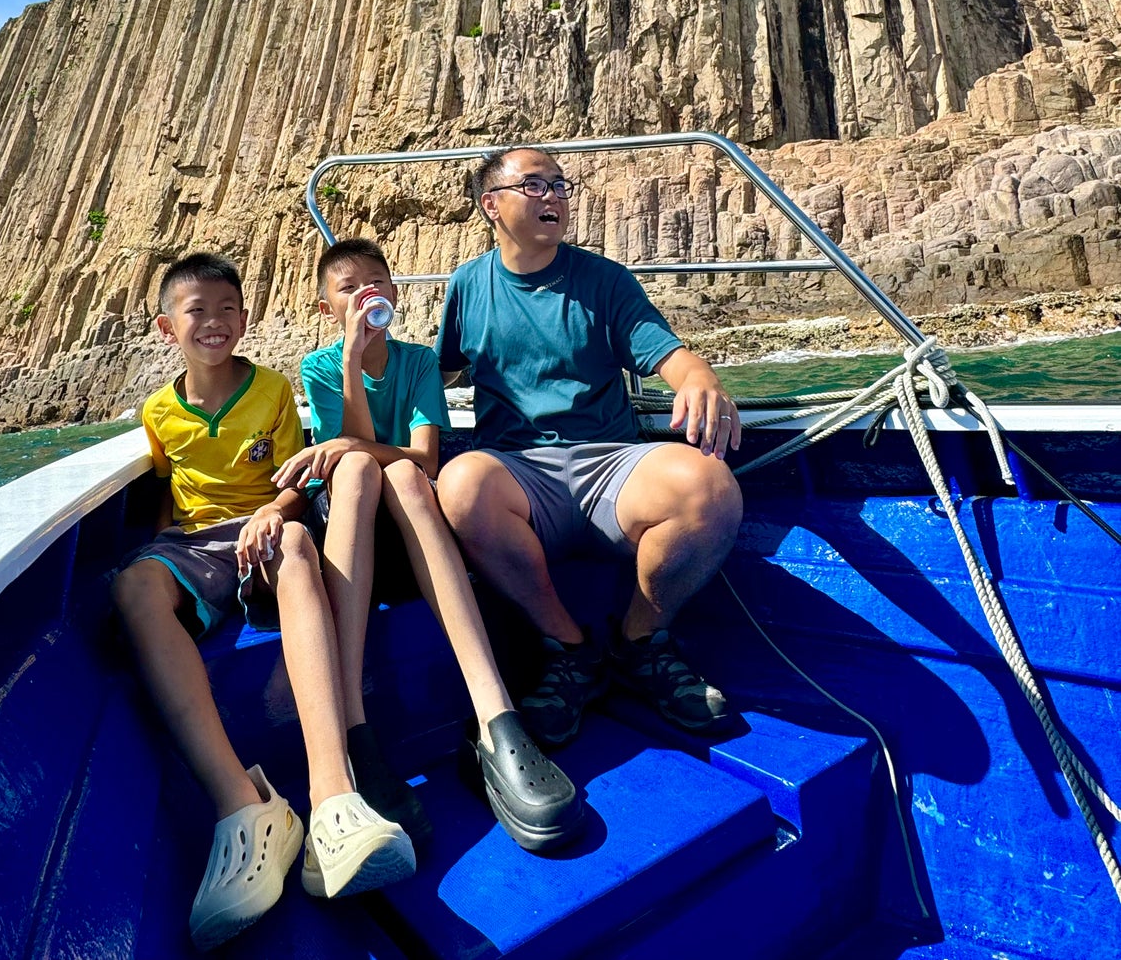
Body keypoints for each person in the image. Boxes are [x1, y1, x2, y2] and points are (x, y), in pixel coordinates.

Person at [112, 253, 414, 952]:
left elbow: (293, 481)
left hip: (268, 528)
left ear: (245, 318)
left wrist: (277, 512)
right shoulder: (159, 410)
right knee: (132, 585)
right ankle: (243, 808)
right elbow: (169, 488)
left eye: (227, 309)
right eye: (197, 310)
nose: (214, 322)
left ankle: (333, 796)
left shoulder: (274, 389)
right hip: (198, 541)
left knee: (301, 547)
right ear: (167, 327)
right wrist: (160, 553)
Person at [275, 238, 583, 854]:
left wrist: (354, 449)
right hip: (351, 529)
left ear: (393, 293)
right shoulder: (319, 367)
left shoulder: (417, 363)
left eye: (376, 282)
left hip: (415, 527)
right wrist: (352, 368)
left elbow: (422, 456)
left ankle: (496, 716)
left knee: (399, 473)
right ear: (323, 305)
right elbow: (348, 454)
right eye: (347, 287)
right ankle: (356, 735)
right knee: (363, 471)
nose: (365, 293)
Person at [435, 147, 744, 749]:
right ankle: (569, 649)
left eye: (560, 184)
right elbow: (438, 377)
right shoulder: (468, 285)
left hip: (611, 464)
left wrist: (699, 375)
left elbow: (666, 354)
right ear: (490, 205)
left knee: (708, 486)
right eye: (535, 185)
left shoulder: (602, 279)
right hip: (520, 472)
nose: (554, 196)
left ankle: (639, 642)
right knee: (462, 484)